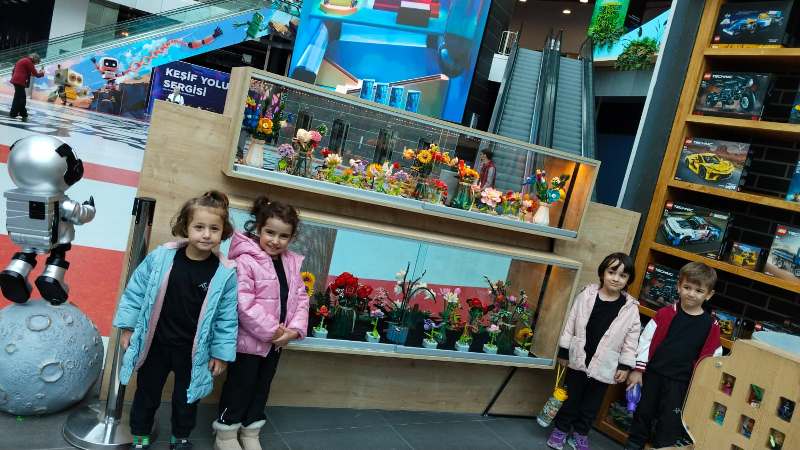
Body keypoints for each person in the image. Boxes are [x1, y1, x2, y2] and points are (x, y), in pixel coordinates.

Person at [113, 191, 239, 450]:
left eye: (214, 229)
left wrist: (221, 354)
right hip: (156, 345)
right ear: (185, 226)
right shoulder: (161, 258)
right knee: (146, 394)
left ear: (223, 232)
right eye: (199, 227)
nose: (206, 234)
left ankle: (180, 438)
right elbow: (136, 292)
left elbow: (227, 317)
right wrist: (128, 327)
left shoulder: (225, 273)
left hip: (193, 352)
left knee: (187, 399)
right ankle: (140, 437)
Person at [213, 195, 309, 450]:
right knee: (239, 387)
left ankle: (250, 430)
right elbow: (243, 302)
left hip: (276, 344)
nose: (275, 241)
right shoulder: (246, 260)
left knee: (261, 387)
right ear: (258, 228)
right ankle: (226, 433)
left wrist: (294, 330)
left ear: (292, 237)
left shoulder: (291, 263)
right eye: (270, 233)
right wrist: (272, 330)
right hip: (248, 343)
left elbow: (300, 297)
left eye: (283, 236)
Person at [624, 262, 723, 450]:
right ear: (678, 287)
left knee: (669, 424)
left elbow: (712, 357)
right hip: (652, 376)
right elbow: (645, 342)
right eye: (687, 287)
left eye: (699, 291)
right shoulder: (665, 314)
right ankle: (633, 445)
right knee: (642, 414)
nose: (691, 294)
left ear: (709, 295)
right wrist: (638, 370)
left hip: (681, 384)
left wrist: (701, 385)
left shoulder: (711, 325)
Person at [547, 253, 641, 450]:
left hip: (605, 364)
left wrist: (625, 366)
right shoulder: (586, 295)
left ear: (628, 280)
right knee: (571, 398)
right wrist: (564, 351)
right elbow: (571, 323)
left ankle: (580, 433)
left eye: (623, 275)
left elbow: (631, 340)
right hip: (578, 358)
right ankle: (561, 429)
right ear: (602, 273)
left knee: (592, 404)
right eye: (612, 272)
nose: (616, 278)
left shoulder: (630, 308)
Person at [9, 53, 44, 121]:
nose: (36, 64)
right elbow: (36, 74)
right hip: (20, 81)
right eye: (37, 62)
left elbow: (15, 70)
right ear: (34, 59)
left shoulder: (23, 60)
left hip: (16, 80)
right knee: (21, 99)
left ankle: (18, 113)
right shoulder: (29, 62)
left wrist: (14, 77)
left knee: (18, 98)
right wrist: (42, 73)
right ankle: (18, 113)